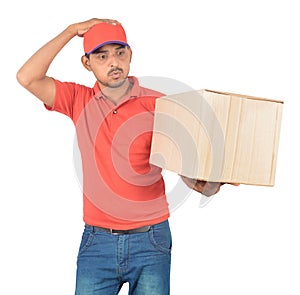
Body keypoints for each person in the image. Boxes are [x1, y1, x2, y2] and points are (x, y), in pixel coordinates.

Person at [17, 18, 227, 295]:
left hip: (151, 240)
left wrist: (206, 185)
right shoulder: (77, 99)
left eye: (119, 52)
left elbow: (180, 164)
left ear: (130, 54)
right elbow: (27, 77)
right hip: (97, 242)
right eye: (101, 56)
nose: (113, 62)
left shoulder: (159, 103)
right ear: (86, 62)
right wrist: (70, 31)